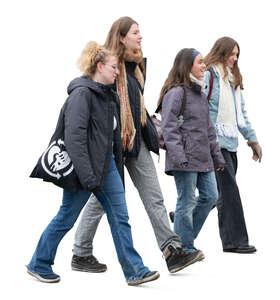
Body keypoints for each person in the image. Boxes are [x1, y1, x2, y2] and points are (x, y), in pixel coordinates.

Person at [71, 16, 201, 275]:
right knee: (100, 200)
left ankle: (171, 250)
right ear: (121, 37)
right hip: (113, 144)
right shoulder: (107, 66)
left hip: (136, 139)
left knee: (154, 195)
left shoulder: (136, 66)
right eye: (135, 32)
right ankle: (81, 252)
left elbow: (136, 101)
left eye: (140, 32)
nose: (140, 37)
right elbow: (94, 102)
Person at [26, 41, 160, 286]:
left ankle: (135, 270)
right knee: (66, 217)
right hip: (83, 169)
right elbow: (74, 139)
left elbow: (111, 138)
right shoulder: (81, 95)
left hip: (106, 167)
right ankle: (39, 263)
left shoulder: (107, 96)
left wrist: (113, 168)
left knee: (120, 217)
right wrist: (88, 178)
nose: (117, 72)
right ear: (99, 66)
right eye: (113, 67)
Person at [159, 48, 225, 254]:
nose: (204, 66)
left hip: (203, 158)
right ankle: (185, 247)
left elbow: (209, 130)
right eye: (200, 62)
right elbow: (169, 127)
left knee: (211, 196)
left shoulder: (200, 94)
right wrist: (179, 157)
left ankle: (183, 237)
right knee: (186, 202)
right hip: (185, 159)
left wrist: (218, 157)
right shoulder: (176, 93)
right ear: (187, 66)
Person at [203, 37, 262, 253]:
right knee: (229, 193)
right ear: (221, 52)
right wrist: (210, 140)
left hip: (231, 144)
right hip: (214, 144)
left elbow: (241, 115)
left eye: (237, 55)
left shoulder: (233, 79)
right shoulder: (209, 74)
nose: (234, 58)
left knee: (216, 193)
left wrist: (252, 139)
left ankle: (183, 215)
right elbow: (200, 108)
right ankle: (237, 241)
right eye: (232, 54)